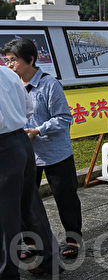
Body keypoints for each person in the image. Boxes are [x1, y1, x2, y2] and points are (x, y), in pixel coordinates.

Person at [1, 38, 82, 260]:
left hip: (55, 152)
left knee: (65, 197)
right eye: (7, 61)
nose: (9, 65)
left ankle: (73, 239)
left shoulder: (49, 84)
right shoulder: (13, 83)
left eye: (13, 60)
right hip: (28, 155)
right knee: (26, 202)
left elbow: (64, 118)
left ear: (31, 60)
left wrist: (38, 130)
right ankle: (30, 243)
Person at [0, 65, 62, 278]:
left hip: (3, 146)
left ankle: (7, 273)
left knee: (5, 216)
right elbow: (28, 108)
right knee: (29, 204)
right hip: (19, 141)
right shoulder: (7, 73)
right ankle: (48, 260)